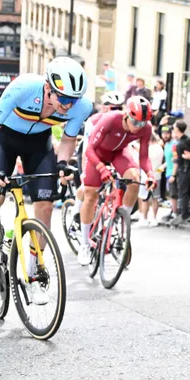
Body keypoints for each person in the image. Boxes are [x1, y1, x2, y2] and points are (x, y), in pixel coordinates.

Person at [0, 57, 93, 295]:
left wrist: (62, 163)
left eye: (74, 100)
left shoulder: (82, 107)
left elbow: (68, 139)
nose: (69, 106)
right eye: (64, 99)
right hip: (4, 140)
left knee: (45, 206)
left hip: (39, 145)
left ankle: (35, 270)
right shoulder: (23, 88)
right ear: (48, 88)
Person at [76, 97, 153, 265]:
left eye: (142, 123)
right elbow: (89, 149)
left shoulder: (146, 128)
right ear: (126, 115)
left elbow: (144, 156)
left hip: (118, 153)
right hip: (97, 154)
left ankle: (121, 218)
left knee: (134, 179)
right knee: (91, 195)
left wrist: (151, 174)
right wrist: (101, 168)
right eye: (135, 122)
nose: (138, 127)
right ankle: (85, 244)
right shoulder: (110, 119)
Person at [170, 120, 190, 222]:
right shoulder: (188, 140)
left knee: (183, 192)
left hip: (184, 170)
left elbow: (178, 161)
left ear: (177, 129)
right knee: (187, 192)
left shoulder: (179, 144)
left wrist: (173, 174)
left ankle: (184, 214)